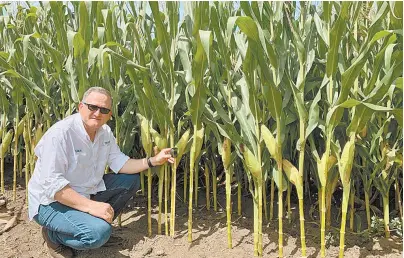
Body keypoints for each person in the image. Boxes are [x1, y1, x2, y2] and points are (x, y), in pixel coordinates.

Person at [28, 87, 174, 258]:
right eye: (92, 107)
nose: (98, 113)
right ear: (80, 106)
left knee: (130, 180)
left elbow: (121, 163)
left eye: (104, 110)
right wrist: (92, 207)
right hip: (49, 203)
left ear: (109, 114)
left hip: (84, 192)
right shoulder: (60, 135)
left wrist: (153, 161)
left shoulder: (104, 133)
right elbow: (54, 187)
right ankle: (53, 236)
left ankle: (90, 223)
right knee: (98, 234)